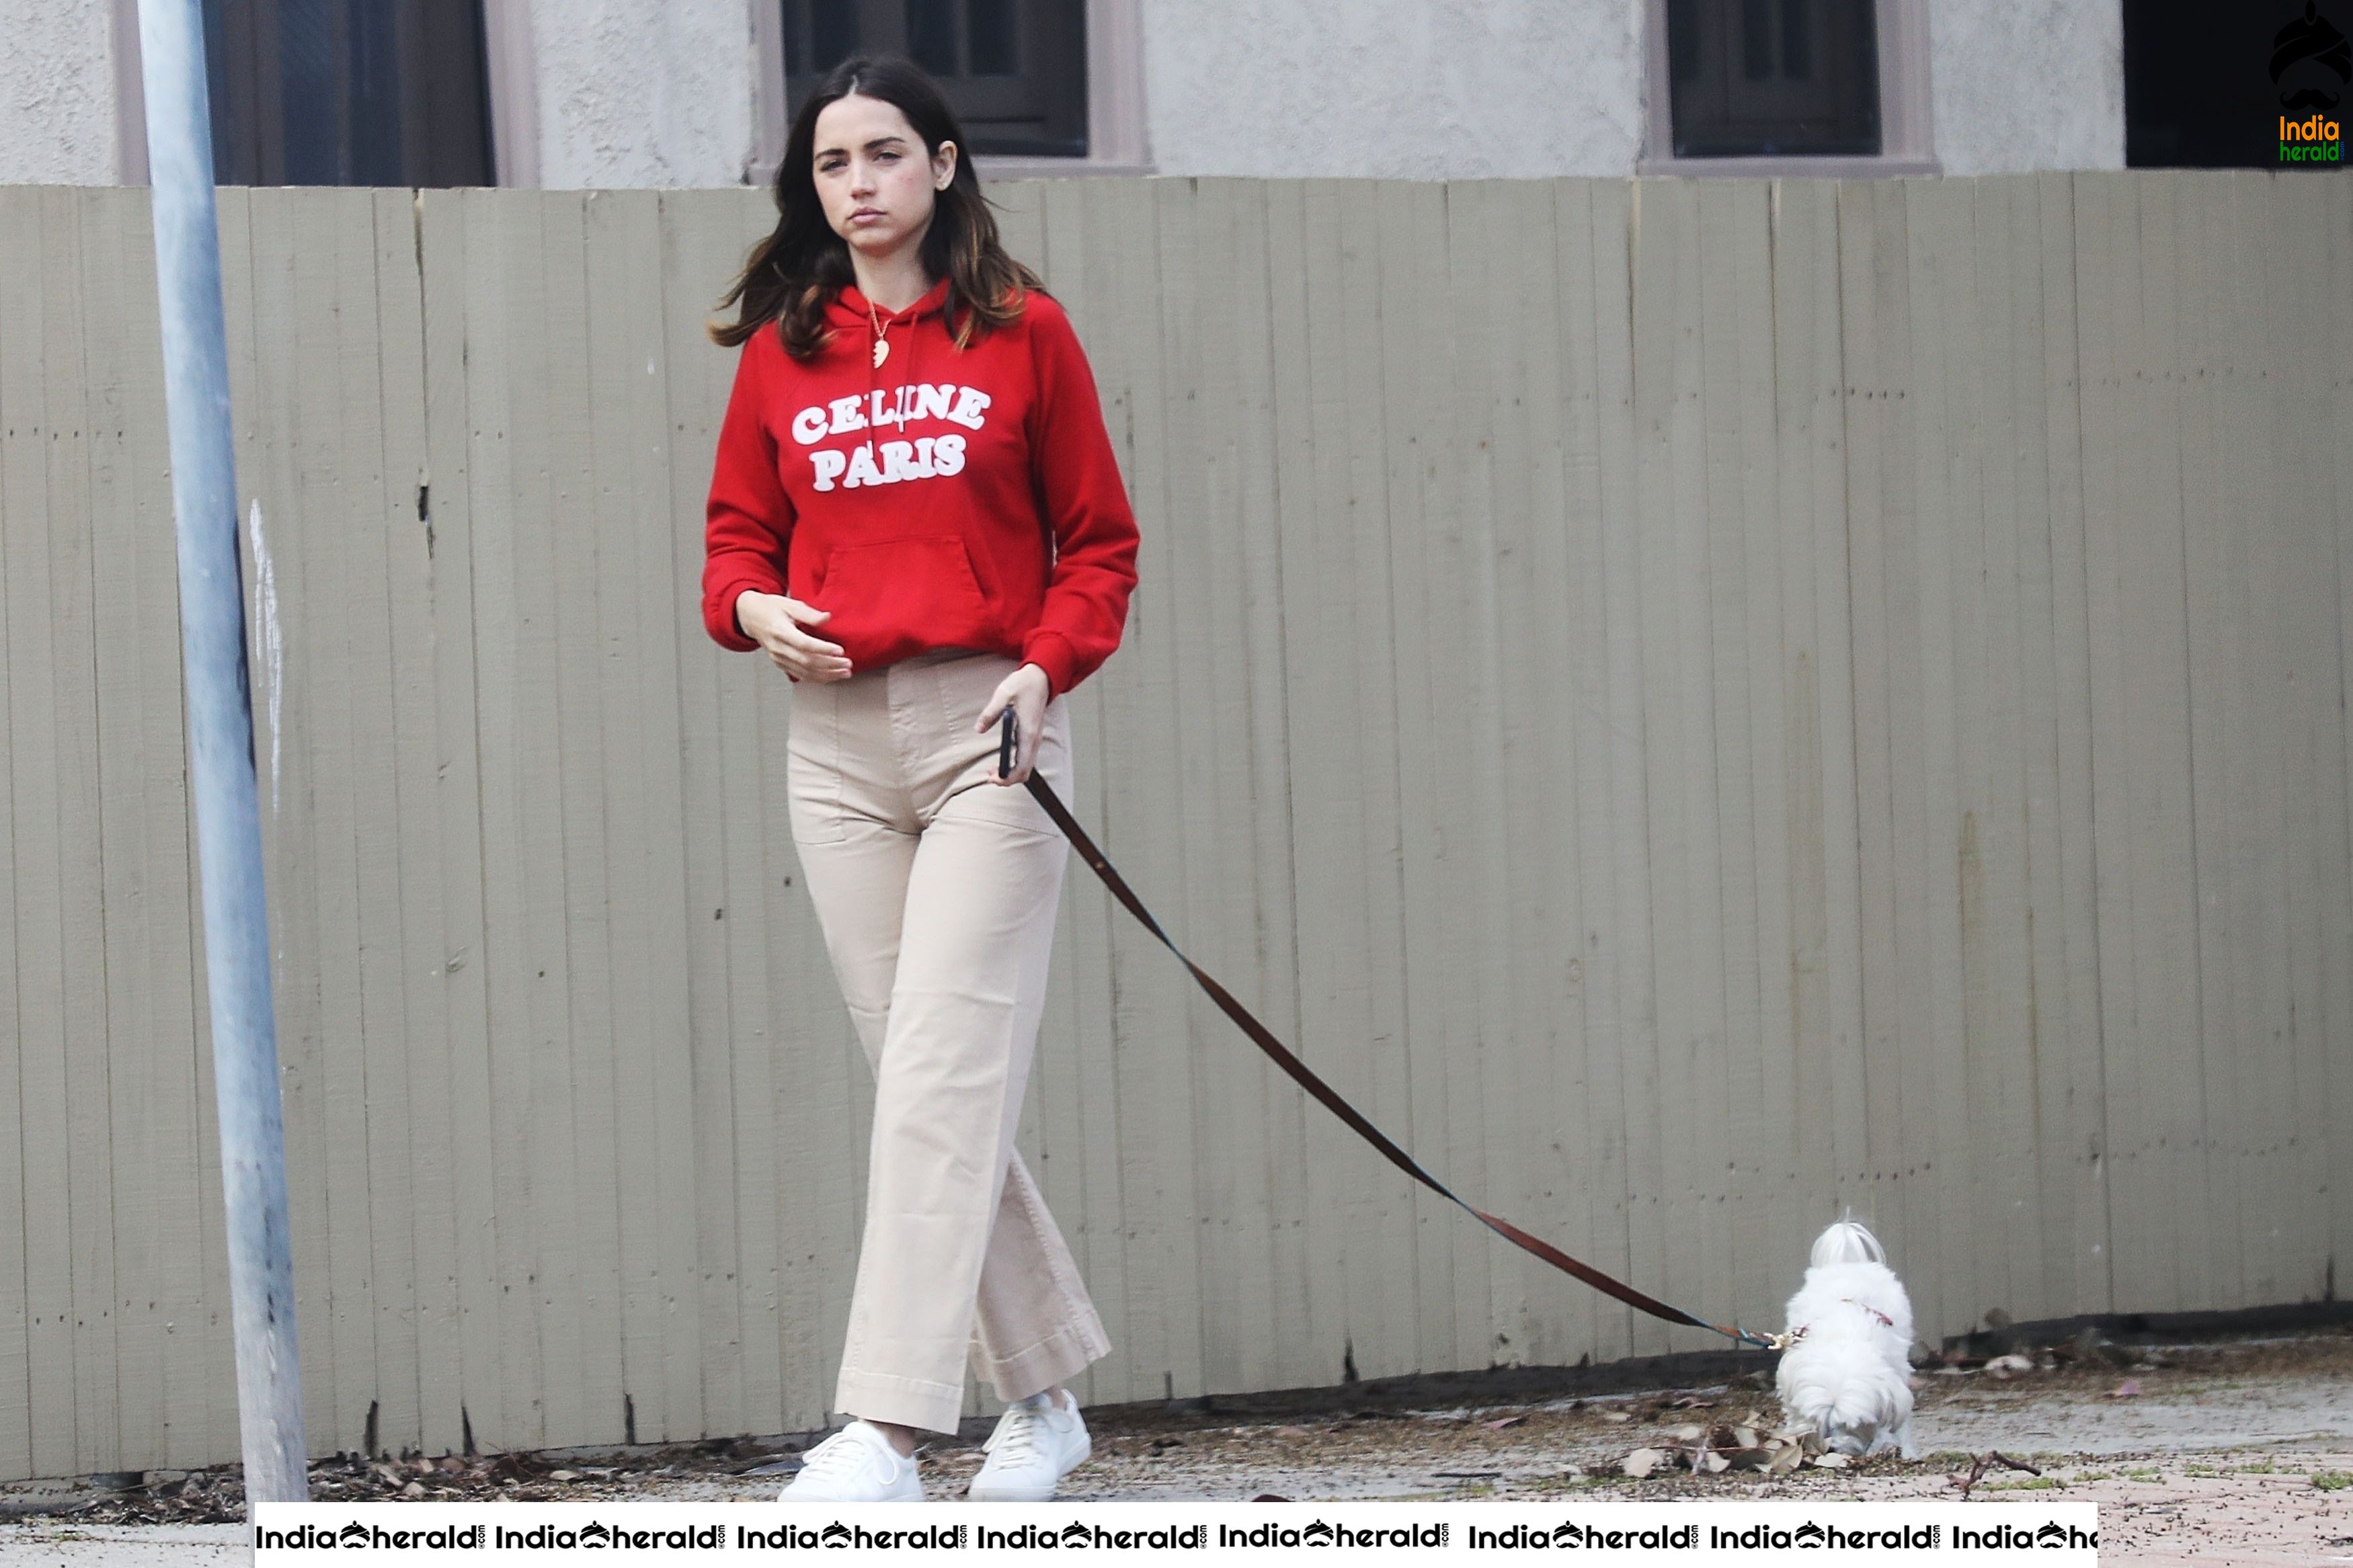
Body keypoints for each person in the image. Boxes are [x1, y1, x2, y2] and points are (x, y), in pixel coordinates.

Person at [700, 53, 1139, 1502]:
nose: (859, 185)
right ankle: (1048, 1394)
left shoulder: (1024, 335)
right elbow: (732, 545)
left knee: (942, 1076)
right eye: (832, 165)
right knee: (925, 1086)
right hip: (831, 751)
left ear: (944, 165)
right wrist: (751, 609)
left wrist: (1044, 666)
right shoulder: (788, 347)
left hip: (985, 734)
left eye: (885, 155)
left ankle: (883, 1430)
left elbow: (1100, 546)